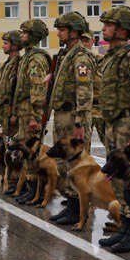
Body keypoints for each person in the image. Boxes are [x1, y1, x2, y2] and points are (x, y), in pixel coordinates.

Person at [93, 5, 130, 254]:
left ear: (122, 29)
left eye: (108, 24)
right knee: (117, 179)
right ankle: (126, 227)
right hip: (112, 123)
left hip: (128, 123)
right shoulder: (112, 56)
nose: (103, 28)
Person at [49, 12, 97, 225]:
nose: (59, 33)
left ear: (74, 32)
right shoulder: (66, 55)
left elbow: (84, 90)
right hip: (62, 115)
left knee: (77, 167)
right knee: (63, 164)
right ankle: (71, 203)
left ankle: (78, 209)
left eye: (63, 29)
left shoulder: (80, 56)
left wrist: (80, 122)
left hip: (73, 116)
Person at [12, 19, 53, 204]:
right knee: (26, 152)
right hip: (24, 111)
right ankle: (31, 187)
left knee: (32, 153)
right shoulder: (27, 57)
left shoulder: (36, 58)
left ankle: (36, 189)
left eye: (25, 32)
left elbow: (38, 89)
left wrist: (36, 117)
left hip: (31, 113)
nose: (21, 35)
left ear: (33, 36)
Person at [0, 31, 22, 141]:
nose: (2, 46)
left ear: (14, 45)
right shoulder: (7, 64)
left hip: (11, 112)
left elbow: (18, 90)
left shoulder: (18, 63)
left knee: (14, 144)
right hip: (4, 112)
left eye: (6, 43)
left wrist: (15, 113)